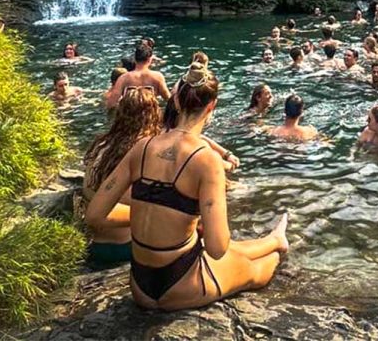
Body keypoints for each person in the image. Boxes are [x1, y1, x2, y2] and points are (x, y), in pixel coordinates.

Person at [86, 63, 289, 311]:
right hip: (181, 285)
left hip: (140, 286)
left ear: (177, 102)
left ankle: (275, 239)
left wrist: (156, 214)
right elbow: (217, 248)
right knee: (255, 270)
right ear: (211, 107)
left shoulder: (142, 147)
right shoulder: (207, 160)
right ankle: (277, 247)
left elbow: (94, 215)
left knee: (226, 251)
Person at [83, 87, 163, 266]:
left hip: (96, 246)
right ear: (152, 116)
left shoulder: (102, 145)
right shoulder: (145, 150)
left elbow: (87, 191)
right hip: (128, 246)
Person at [106, 43, 171, 108]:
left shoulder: (123, 78)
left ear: (135, 58)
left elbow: (111, 103)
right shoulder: (157, 77)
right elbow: (168, 99)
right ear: (150, 59)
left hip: (129, 114)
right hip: (150, 114)